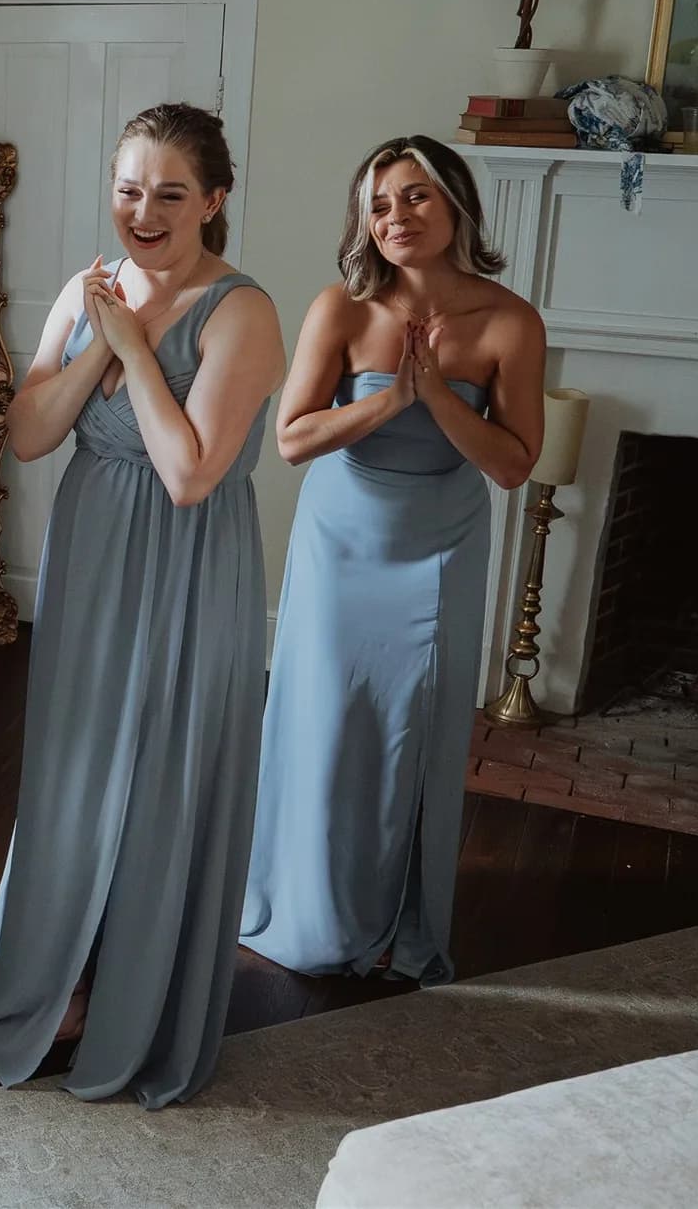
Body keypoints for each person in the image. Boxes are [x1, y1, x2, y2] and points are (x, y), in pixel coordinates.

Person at [0, 104, 285, 1107]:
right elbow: (24, 435)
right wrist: (99, 346)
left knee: (162, 767)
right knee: (76, 758)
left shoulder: (240, 310)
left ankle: (139, 990)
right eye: (126, 188)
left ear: (214, 200)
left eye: (168, 192)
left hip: (187, 560)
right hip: (92, 546)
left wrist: (136, 351)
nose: (141, 211)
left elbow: (190, 473)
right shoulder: (86, 289)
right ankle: (59, 964)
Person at [241, 134, 545, 985]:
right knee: (330, 724)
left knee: (415, 733)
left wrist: (437, 392)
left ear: (456, 204)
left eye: (414, 197)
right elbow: (293, 438)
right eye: (378, 204)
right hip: (341, 546)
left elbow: (514, 463)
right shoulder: (339, 309)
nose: (395, 217)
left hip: (442, 549)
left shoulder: (509, 321)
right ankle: (309, 901)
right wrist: (390, 401)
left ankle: (397, 918)